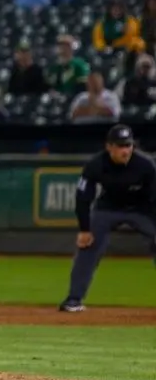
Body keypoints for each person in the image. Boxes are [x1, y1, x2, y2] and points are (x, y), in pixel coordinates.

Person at [60, 125, 156, 312]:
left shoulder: (146, 164)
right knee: (88, 245)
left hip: (143, 210)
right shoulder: (96, 164)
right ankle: (74, 299)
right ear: (109, 147)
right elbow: (83, 198)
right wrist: (84, 230)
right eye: (120, 146)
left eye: (128, 145)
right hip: (109, 208)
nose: (125, 150)